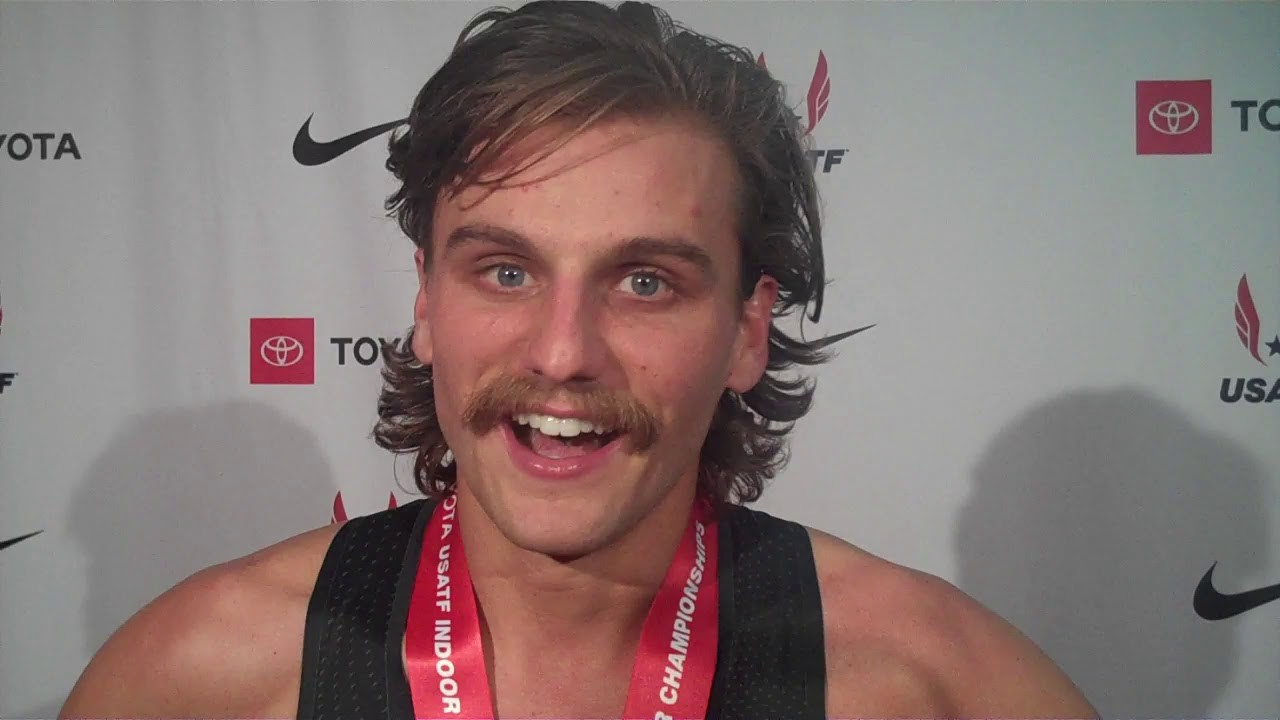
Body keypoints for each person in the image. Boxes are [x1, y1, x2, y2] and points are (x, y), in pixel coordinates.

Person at [61, 2, 1098, 718]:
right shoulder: (195, 680)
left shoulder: (941, 688)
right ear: (426, 301)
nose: (561, 353)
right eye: (506, 271)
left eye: (645, 281)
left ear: (747, 330)